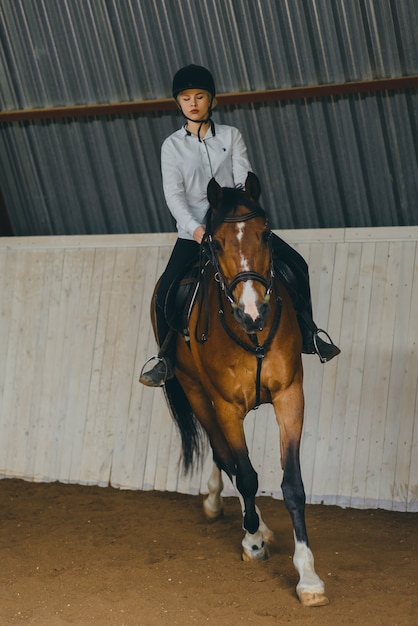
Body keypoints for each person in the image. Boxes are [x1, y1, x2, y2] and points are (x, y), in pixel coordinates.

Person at [139, 64, 340, 387]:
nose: (193, 103)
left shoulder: (231, 136)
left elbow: (242, 178)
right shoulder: (171, 147)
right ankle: (166, 358)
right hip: (195, 234)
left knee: (297, 265)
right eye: (186, 98)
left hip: (236, 229)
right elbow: (173, 196)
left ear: (212, 101)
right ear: (179, 103)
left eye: (200, 96)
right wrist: (196, 229)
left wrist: (242, 215)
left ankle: (309, 332)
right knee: (166, 292)